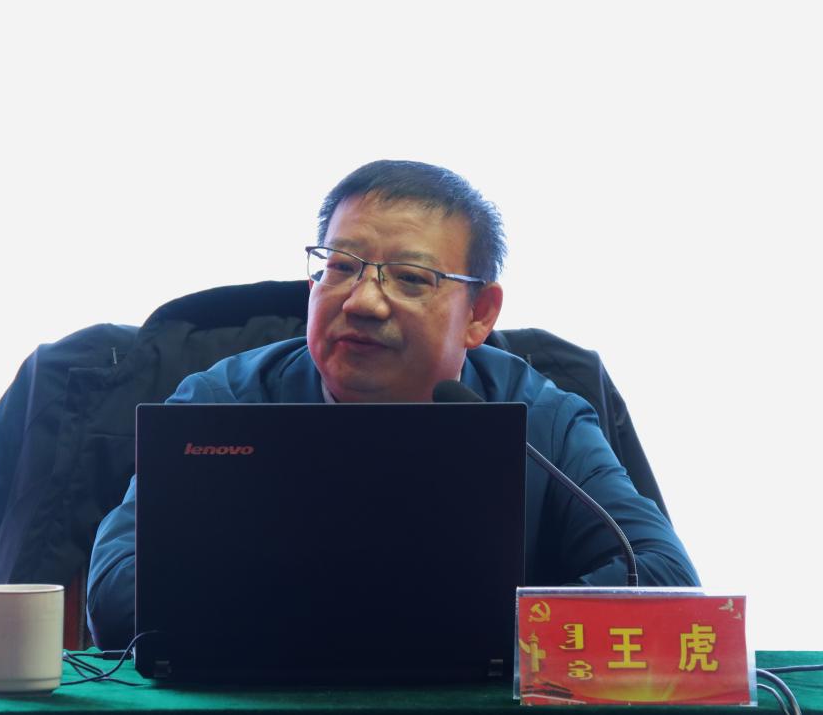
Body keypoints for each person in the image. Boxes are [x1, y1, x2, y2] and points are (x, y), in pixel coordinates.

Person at [86, 159, 699, 650]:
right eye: (340, 267)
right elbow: (114, 593)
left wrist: (472, 628)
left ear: (479, 314)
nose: (362, 302)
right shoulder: (224, 403)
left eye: (409, 278)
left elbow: (662, 578)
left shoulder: (541, 418)